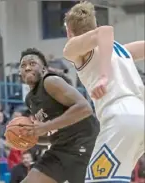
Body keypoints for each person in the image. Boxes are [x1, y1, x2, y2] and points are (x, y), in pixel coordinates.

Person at [63, 1, 144, 183]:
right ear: (94, 24)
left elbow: (105, 31)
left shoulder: (71, 49)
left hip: (121, 117)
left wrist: (104, 76)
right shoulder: (119, 50)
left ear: (69, 31)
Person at [18, 48, 100, 183]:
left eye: (32, 64)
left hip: (84, 145)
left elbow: (85, 108)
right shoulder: (30, 100)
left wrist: (45, 127)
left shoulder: (50, 82)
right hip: (60, 149)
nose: (27, 67)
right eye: (23, 65)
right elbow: (56, 133)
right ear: (20, 73)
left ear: (44, 70)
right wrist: (32, 138)